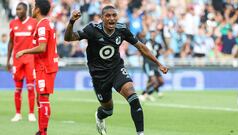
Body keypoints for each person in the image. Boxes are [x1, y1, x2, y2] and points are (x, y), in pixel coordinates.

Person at [64, 5, 168, 135]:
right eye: (108, 16)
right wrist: (72, 21)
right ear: (102, 18)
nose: (111, 18)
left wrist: (158, 63)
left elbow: (141, 47)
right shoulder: (92, 30)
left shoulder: (122, 29)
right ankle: (100, 116)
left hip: (116, 69)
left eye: (114, 15)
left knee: (133, 97)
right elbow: (68, 38)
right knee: (108, 110)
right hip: (99, 75)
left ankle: (140, 133)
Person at [16, 0, 58, 135]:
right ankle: (41, 131)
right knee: (40, 98)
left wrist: (24, 51)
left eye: (34, 7)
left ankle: (43, 132)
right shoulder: (43, 24)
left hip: (45, 67)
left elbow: (42, 47)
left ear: (38, 10)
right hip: (43, 67)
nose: (32, 9)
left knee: (43, 98)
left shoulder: (42, 26)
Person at [6, 2, 37, 122]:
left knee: (30, 87)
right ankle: (18, 113)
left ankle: (31, 113)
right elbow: (11, 42)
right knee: (17, 88)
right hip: (17, 60)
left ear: (25, 10)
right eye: (16, 9)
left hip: (30, 60)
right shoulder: (13, 23)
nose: (17, 11)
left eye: (19, 9)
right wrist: (8, 60)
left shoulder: (33, 23)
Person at [139, 30, 164, 102]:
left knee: (161, 82)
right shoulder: (145, 41)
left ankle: (148, 94)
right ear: (150, 34)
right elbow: (140, 48)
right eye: (152, 33)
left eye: (154, 33)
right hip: (148, 63)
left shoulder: (158, 44)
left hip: (155, 65)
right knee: (153, 80)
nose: (153, 34)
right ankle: (143, 94)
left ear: (156, 34)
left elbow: (159, 53)